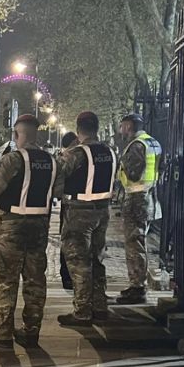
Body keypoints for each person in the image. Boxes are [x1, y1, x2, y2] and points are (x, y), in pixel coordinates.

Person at [0, 114, 62, 350]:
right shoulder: (52, 161)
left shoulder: (13, 159)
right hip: (39, 226)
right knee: (35, 279)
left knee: (7, 279)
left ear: (18, 134)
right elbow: (58, 190)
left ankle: (4, 332)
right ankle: (31, 332)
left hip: (12, 225)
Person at [57, 111, 117, 327]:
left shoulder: (77, 153)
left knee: (79, 262)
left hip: (80, 211)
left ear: (79, 128)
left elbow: (58, 176)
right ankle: (100, 306)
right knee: (97, 259)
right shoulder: (110, 152)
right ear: (98, 127)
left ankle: (82, 311)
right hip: (103, 210)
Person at [115, 114, 162, 305]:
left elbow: (133, 174)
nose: (120, 131)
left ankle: (137, 287)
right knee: (140, 241)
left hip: (136, 199)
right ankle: (138, 285)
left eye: (121, 127)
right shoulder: (153, 143)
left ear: (128, 126)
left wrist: (122, 163)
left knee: (134, 243)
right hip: (149, 196)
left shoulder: (136, 145)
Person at [58, 131, 79, 290]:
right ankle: (69, 277)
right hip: (72, 205)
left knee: (67, 241)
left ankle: (68, 277)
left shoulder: (66, 157)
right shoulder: (73, 155)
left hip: (69, 205)